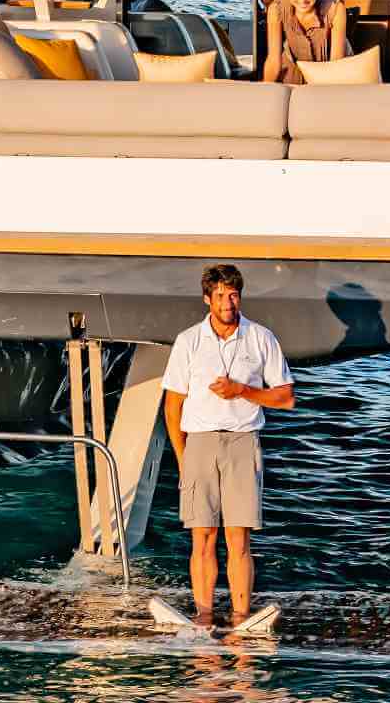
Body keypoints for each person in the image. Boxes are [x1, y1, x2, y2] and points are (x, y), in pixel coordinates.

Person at [161, 264, 296, 629]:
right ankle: (204, 616)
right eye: (219, 295)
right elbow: (172, 405)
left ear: (240, 296)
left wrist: (242, 391)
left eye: (233, 294)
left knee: (239, 537)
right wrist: (183, 455)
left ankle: (241, 617)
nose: (227, 302)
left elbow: (285, 398)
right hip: (199, 444)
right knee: (202, 536)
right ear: (207, 298)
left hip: (242, 441)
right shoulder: (189, 340)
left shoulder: (260, 337)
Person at [260, 0, 349, 84]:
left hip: (327, 76)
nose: (302, 0)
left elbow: (336, 63)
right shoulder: (276, 9)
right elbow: (273, 61)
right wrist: (265, 90)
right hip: (292, 75)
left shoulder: (336, 8)